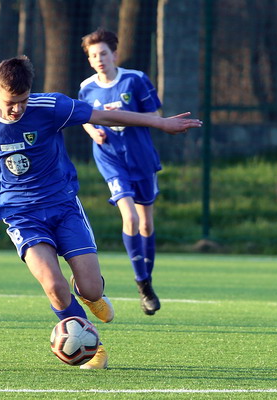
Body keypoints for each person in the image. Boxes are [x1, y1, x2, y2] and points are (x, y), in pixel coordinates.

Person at [0, 56, 201, 369]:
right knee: (53, 284)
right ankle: (94, 347)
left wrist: (160, 123)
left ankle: (89, 295)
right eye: (10, 102)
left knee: (92, 288)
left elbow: (103, 116)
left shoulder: (51, 107)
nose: (17, 109)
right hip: (20, 214)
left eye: (23, 101)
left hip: (64, 206)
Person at [78, 28, 173, 316]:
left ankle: (147, 279)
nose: (99, 59)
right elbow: (84, 117)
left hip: (141, 158)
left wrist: (119, 116)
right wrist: (93, 131)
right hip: (111, 159)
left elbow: (154, 116)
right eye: (93, 55)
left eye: (103, 53)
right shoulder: (86, 88)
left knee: (146, 224)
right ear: (89, 60)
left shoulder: (135, 79)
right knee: (129, 217)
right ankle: (142, 284)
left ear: (115, 55)